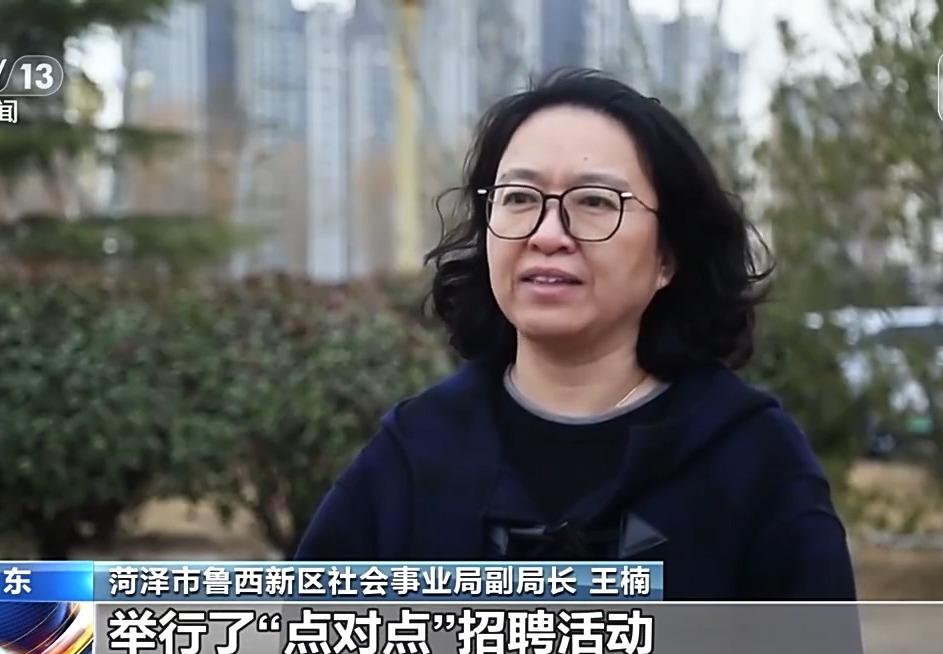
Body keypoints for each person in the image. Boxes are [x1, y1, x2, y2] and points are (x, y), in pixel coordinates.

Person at [295, 69, 857, 601]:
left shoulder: (751, 458)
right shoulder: (416, 451)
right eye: (519, 198)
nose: (547, 235)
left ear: (668, 255)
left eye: (594, 202)